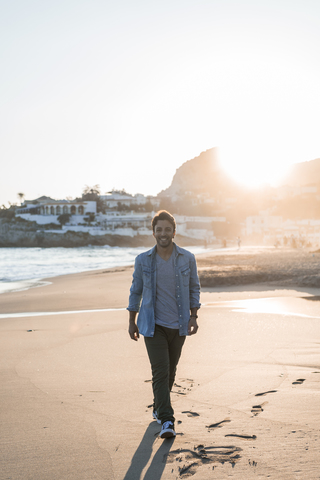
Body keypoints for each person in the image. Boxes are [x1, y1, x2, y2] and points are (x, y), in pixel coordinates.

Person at [127, 210, 201, 439]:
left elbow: (193, 288)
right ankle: (167, 421)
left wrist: (193, 316)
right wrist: (131, 321)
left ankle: (158, 407)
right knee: (160, 371)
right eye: (159, 230)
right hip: (152, 325)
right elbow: (136, 291)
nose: (163, 234)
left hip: (178, 325)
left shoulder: (187, 258)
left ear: (174, 232)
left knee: (170, 372)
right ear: (153, 232)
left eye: (167, 229)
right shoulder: (143, 260)